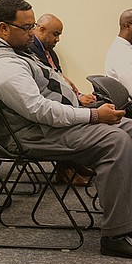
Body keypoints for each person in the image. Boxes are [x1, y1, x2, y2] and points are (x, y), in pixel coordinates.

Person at [0, 0, 132, 260]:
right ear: (3, 28)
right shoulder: (2, 66)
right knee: (115, 141)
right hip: (32, 135)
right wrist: (92, 116)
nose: (33, 32)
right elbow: (40, 111)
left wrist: (82, 104)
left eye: (33, 25)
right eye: (26, 27)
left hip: (51, 126)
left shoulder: (18, 50)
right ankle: (116, 235)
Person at [29, 13, 97, 185]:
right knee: (70, 116)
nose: (58, 39)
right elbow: (46, 84)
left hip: (56, 97)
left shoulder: (49, 52)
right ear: (41, 29)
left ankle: (75, 162)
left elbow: (60, 79)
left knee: (94, 105)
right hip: (44, 101)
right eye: (55, 34)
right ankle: (65, 168)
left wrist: (78, 95)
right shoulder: (30, 49)